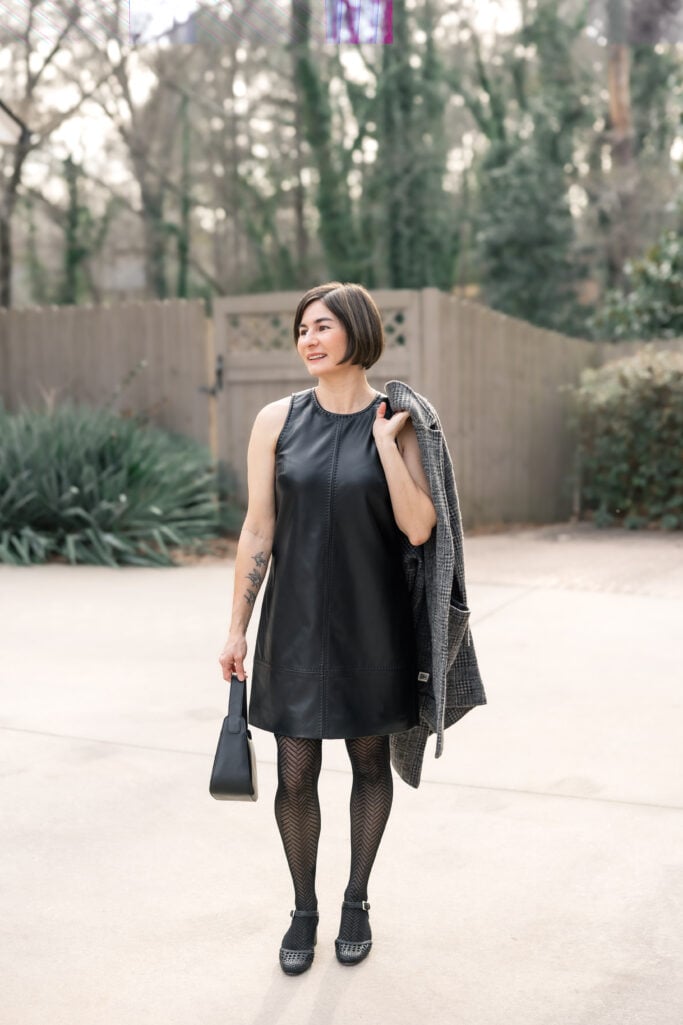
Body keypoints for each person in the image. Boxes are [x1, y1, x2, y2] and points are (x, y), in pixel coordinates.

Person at [218, 281, 440, 975]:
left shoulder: (398, 419)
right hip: (294, 623)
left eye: (322, 327)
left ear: (356, 332)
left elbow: (417, 525)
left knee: (369, 762)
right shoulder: (275, 419)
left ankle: (355, 900)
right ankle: (304, 908)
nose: (308, 340)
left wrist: (381, 445)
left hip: (372, 622)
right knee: (295, 771)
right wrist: (236, 628)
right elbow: (259, 527)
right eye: (301, 329)